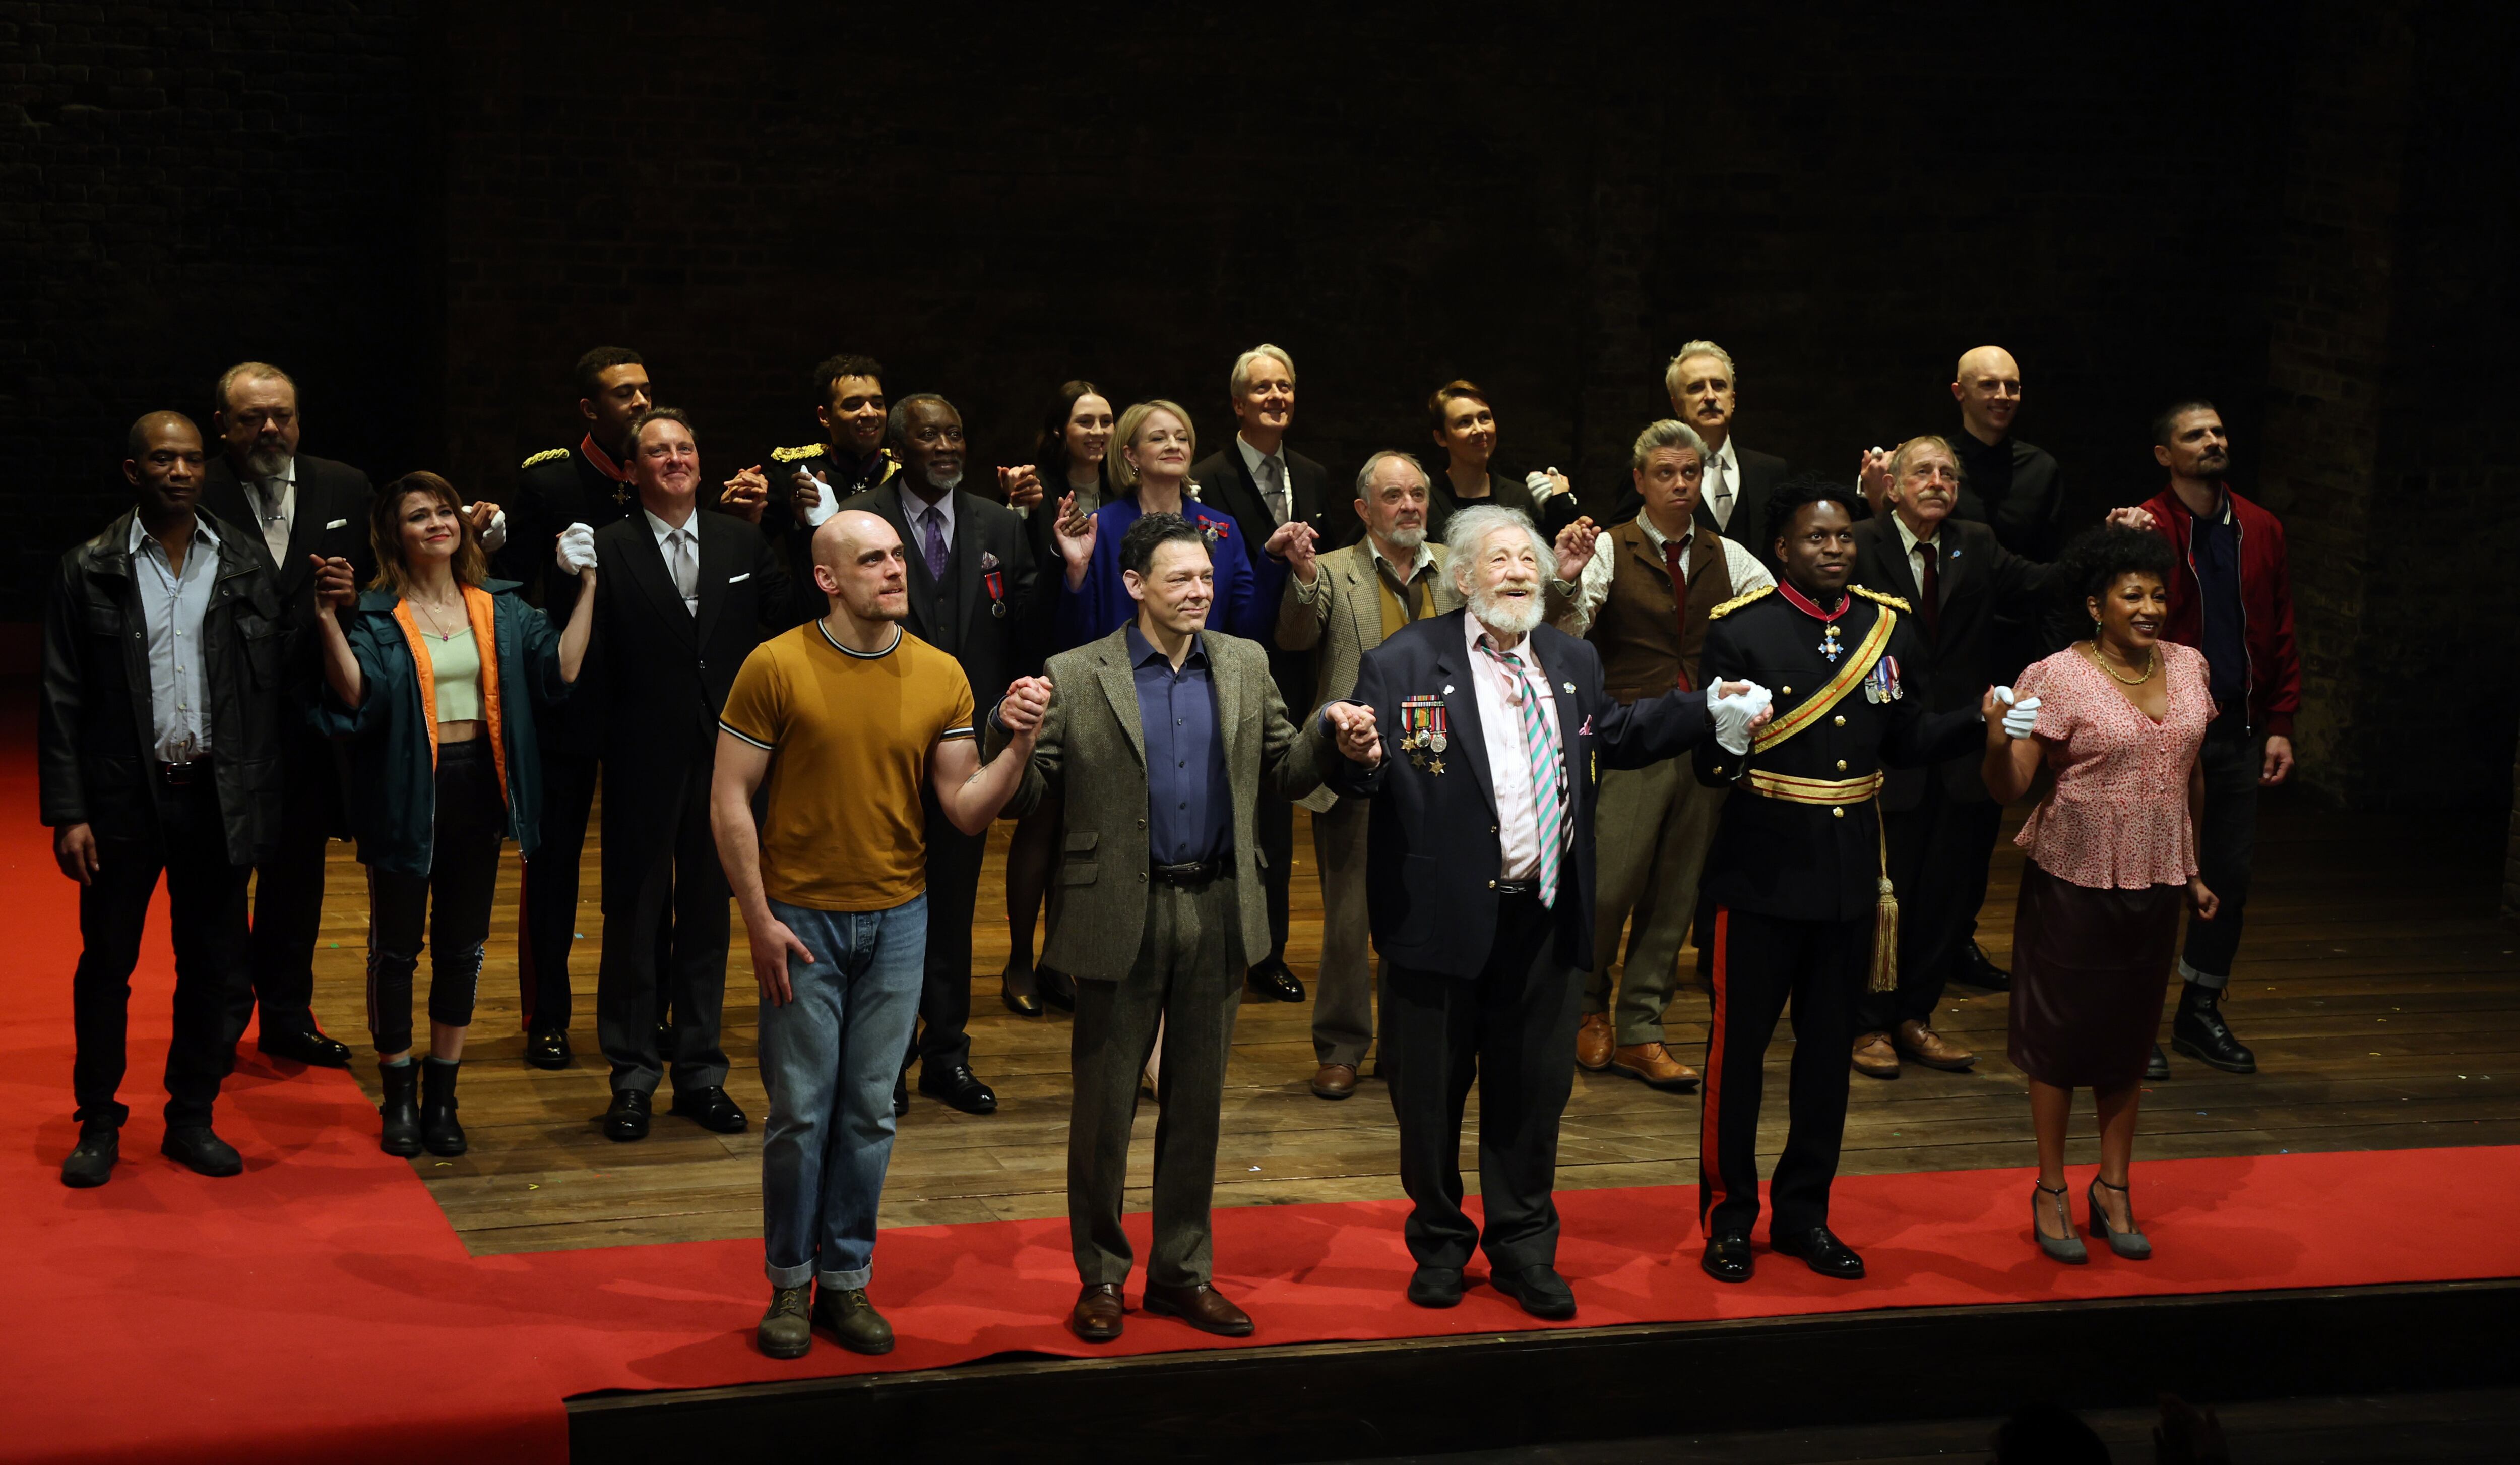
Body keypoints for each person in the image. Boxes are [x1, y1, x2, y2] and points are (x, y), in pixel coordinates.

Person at [1326, 505, 1765, 1319]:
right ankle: (1441, 1242)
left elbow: (1620, 734)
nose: (1520, 573)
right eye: (1500, 561)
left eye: (1528, 560)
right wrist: (1352, 751)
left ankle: (1525, 1247)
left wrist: (1707, 705)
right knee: (1427, 1100)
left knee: (1532, 1098)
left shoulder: (1571, 659)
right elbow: (1362, 770)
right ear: (1461, 578)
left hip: (1546, 919)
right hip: (1438, 921)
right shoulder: (1401, 663)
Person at [997, 512, 1364, 1345]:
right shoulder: (1076, 673)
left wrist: (1331, 736)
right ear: (1134, 588)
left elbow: (1285, 767)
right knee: (1104, 1111)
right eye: (1181, 579)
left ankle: (1180, 1273)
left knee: (1196, 1106)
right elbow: (1026, 794)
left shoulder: (1243, 661)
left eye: (1206, 578)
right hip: (1116, 910)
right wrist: (1009, 732)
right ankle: (1099, 1277)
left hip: (1218, 908)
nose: (1200, 591)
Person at [712, 510, 1049, 1360]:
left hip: (900, 919)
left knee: (868, 1112)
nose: (895, 570)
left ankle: (846, 1281)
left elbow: (966, 809)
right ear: (828, 577)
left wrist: (1018, 744)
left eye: (898, 556)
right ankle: (791, 1279)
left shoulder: (940, 674)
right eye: (872, 560)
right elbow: (727, 800)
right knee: (800, 1112)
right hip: (800, 920)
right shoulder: (775, 665)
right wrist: (757, 920)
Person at [1691, 476, 1990, 1286]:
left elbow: (1907, 738)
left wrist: (1981, 718)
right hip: (1759, 872)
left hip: (1851, 877)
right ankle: (1728, 1219)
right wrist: (1721, 733)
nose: (1833, 548)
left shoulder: (1882, 627)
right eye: (1816, 538)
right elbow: (1714, 765)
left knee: (1826, 1056)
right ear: (1782, 549)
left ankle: (1804, 1215)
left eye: (1843, 537)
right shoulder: (1741, 628)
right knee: (1739, 1058)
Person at [306, 473, 597, 1155]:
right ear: (394, 535)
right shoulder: (379, 613)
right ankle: (399, 1090)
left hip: (480, 788)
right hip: (406, 787)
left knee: (463, 947)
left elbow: (561, 670)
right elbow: (358, 698)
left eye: (444, 511)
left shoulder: (500, 606)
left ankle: (444, 1092)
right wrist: (328, 621)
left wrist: (588, 589)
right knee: (396, 948)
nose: (437, 522)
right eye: (418, 516)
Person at [43, 413, 287, 1186]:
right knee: (108, 962)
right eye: (162, 459)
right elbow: (61, 698)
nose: (179, 470)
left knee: (213, 965)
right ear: (133, 470)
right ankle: (100, 1119)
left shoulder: (244, 561)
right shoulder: (89, 567)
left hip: (215, 796)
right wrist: (69, 810)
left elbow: (267, 697)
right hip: (123, 798)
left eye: (189, 458)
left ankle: (191, 1115)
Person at [1984, 526, 2218, 1263]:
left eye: (2157, 594)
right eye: (2132, 594)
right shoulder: (2053, 675)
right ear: (2096, 603)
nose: (2149, 606)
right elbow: (2013, 785)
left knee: (2129, 1037)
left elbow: (2193, 775)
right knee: (2060, 1037)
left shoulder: (2189, 666)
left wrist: (2194, 869)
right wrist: (1994, 738)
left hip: (2155, 875)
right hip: (2073, 877)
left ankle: (2113, 1184)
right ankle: (2051, 1185)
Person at [835, 393, 1043, 1116]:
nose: (947, 445)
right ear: (901, 445)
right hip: (881, 745)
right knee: (886, 908)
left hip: (970, 748)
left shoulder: (998, 523)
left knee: (954, 910)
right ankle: (881, 1061)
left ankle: (946, 1052)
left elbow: (1023, 624)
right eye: (930, 435)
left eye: (956, 431)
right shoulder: (861, 517)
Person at [587, 407, 789, 1142]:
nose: (674, 459)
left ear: (700, 464)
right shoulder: (606, 549)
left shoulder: (742, 539)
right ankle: (634, 1075)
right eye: (657, 451)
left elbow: (779, 627)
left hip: (728, 759)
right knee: (635, 919)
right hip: (643, 758)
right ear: (632, 470)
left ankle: (701, 1071)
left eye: (685, 448)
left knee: (709, 917)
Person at [1553, 420, 1774, 1091]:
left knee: (1677, 892)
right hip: (1630, 739)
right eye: (1667, 474)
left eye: (1690, 473)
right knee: (1611, 885)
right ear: (1641, 480)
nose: (1681, 485)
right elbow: (1565, 630)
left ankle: (1642, 1027)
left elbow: (1770, 625)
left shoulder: (1728, 556)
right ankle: (1587, 1008)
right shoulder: (1611, 551)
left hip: (1704, 743)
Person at [195, 360, 370, 1070]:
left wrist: (355, 593)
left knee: (298, 880)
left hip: (308, 722)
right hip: (221, 722)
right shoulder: (196, 490)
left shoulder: (346, 486)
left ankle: (288, 1017)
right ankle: (220, 1020)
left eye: (283, 416)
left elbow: (378, 588)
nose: (270, 429)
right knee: (222, 880)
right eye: (252, 418)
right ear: (223, 426)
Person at [1276, 450, 1464, 1098]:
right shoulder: (1331, 570)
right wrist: (1300, 576)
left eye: (1416, 493)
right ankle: (1341, 1046)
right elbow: (1296, 638)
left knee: (1427, 912)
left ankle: (1408, 1043)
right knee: (1348, 922)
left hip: (1439, 771)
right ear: (1363, 509)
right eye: (1393, 496)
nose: (1409, 505)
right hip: (1355, 770)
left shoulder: (1455, 566)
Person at [496, 345, 657, 1069]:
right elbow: (504, 580)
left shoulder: (664, 472)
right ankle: (548, 1016)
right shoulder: (552, 481)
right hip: (567, 695)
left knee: (643, 865)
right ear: (590, 409)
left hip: (643, 697)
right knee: (553, 861)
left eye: (646, 391)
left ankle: (639, 1010)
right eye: (625, 395)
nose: (641, 404)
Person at [2135, 402, 2298, 1078]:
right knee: (2145, 874)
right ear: (2164, 454)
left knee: (2228, 872)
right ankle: (2133, 1017)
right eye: (2194, 435)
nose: (2211, 442)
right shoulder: (2147, 526)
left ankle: (2199, 1007)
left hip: (2235, 725)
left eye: (2218, 432)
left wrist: (2282, 722)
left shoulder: (2260, 527)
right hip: (2159, 724)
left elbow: (2280, 625)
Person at [1188, 345, 1333, 1003]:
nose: (1277, 397)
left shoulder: (1314, 474)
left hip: (1296, 668)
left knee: (1277, 814)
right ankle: (1213, 941)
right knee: (1221, 808)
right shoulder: (1206, 480)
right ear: (1239, 403)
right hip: (1225, 662)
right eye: (1263, 389)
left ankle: (1268, 950)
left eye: (1286, 387)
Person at [1001, 381, 1115, 1018]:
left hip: (1113, 666)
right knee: (1042, 818)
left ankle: (1059, 958)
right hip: (1049, 665)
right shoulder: (1034, 490)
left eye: (1105, 421)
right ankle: (1019, 956)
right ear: (1059, 430)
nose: (1097, 432)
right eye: (1084, 421)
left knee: (1087, 822)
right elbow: (1020, 588)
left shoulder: (1126, 497)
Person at [1051, 399, 1280, 648]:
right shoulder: (1101, 527)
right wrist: (1076, 571)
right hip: (1121, 679)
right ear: (1131, 455)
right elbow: (1077, 637)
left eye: (1182, 439)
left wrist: (1273, 560)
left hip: (1205, 677)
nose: (1174, 446)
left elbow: (1250, 629)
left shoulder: (1223, 527)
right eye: (1159, 438)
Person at [1608, 342, 1793, 547]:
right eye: (1696, 388)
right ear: (1677, 405)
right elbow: (1623, 544)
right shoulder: (1650, 470)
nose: (1711, 397)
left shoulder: (1771, 471)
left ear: (1732, 400)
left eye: (1719, 386)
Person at [770, 353, 902, 618]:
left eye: (878, 403)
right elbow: (754, 552)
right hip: (815, 617)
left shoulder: (904, 474)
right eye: (854, 405)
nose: (869, 413)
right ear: (825, 416)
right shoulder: (795, 472)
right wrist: (800, 525)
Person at [1423, 379, 1577, 541]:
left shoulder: (1520, 498)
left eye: (1484, 418)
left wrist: (1560, 505)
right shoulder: (1426, 501)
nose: (1479, 430)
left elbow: (1554, 556)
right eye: (1464, 422)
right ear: (1441, 437)